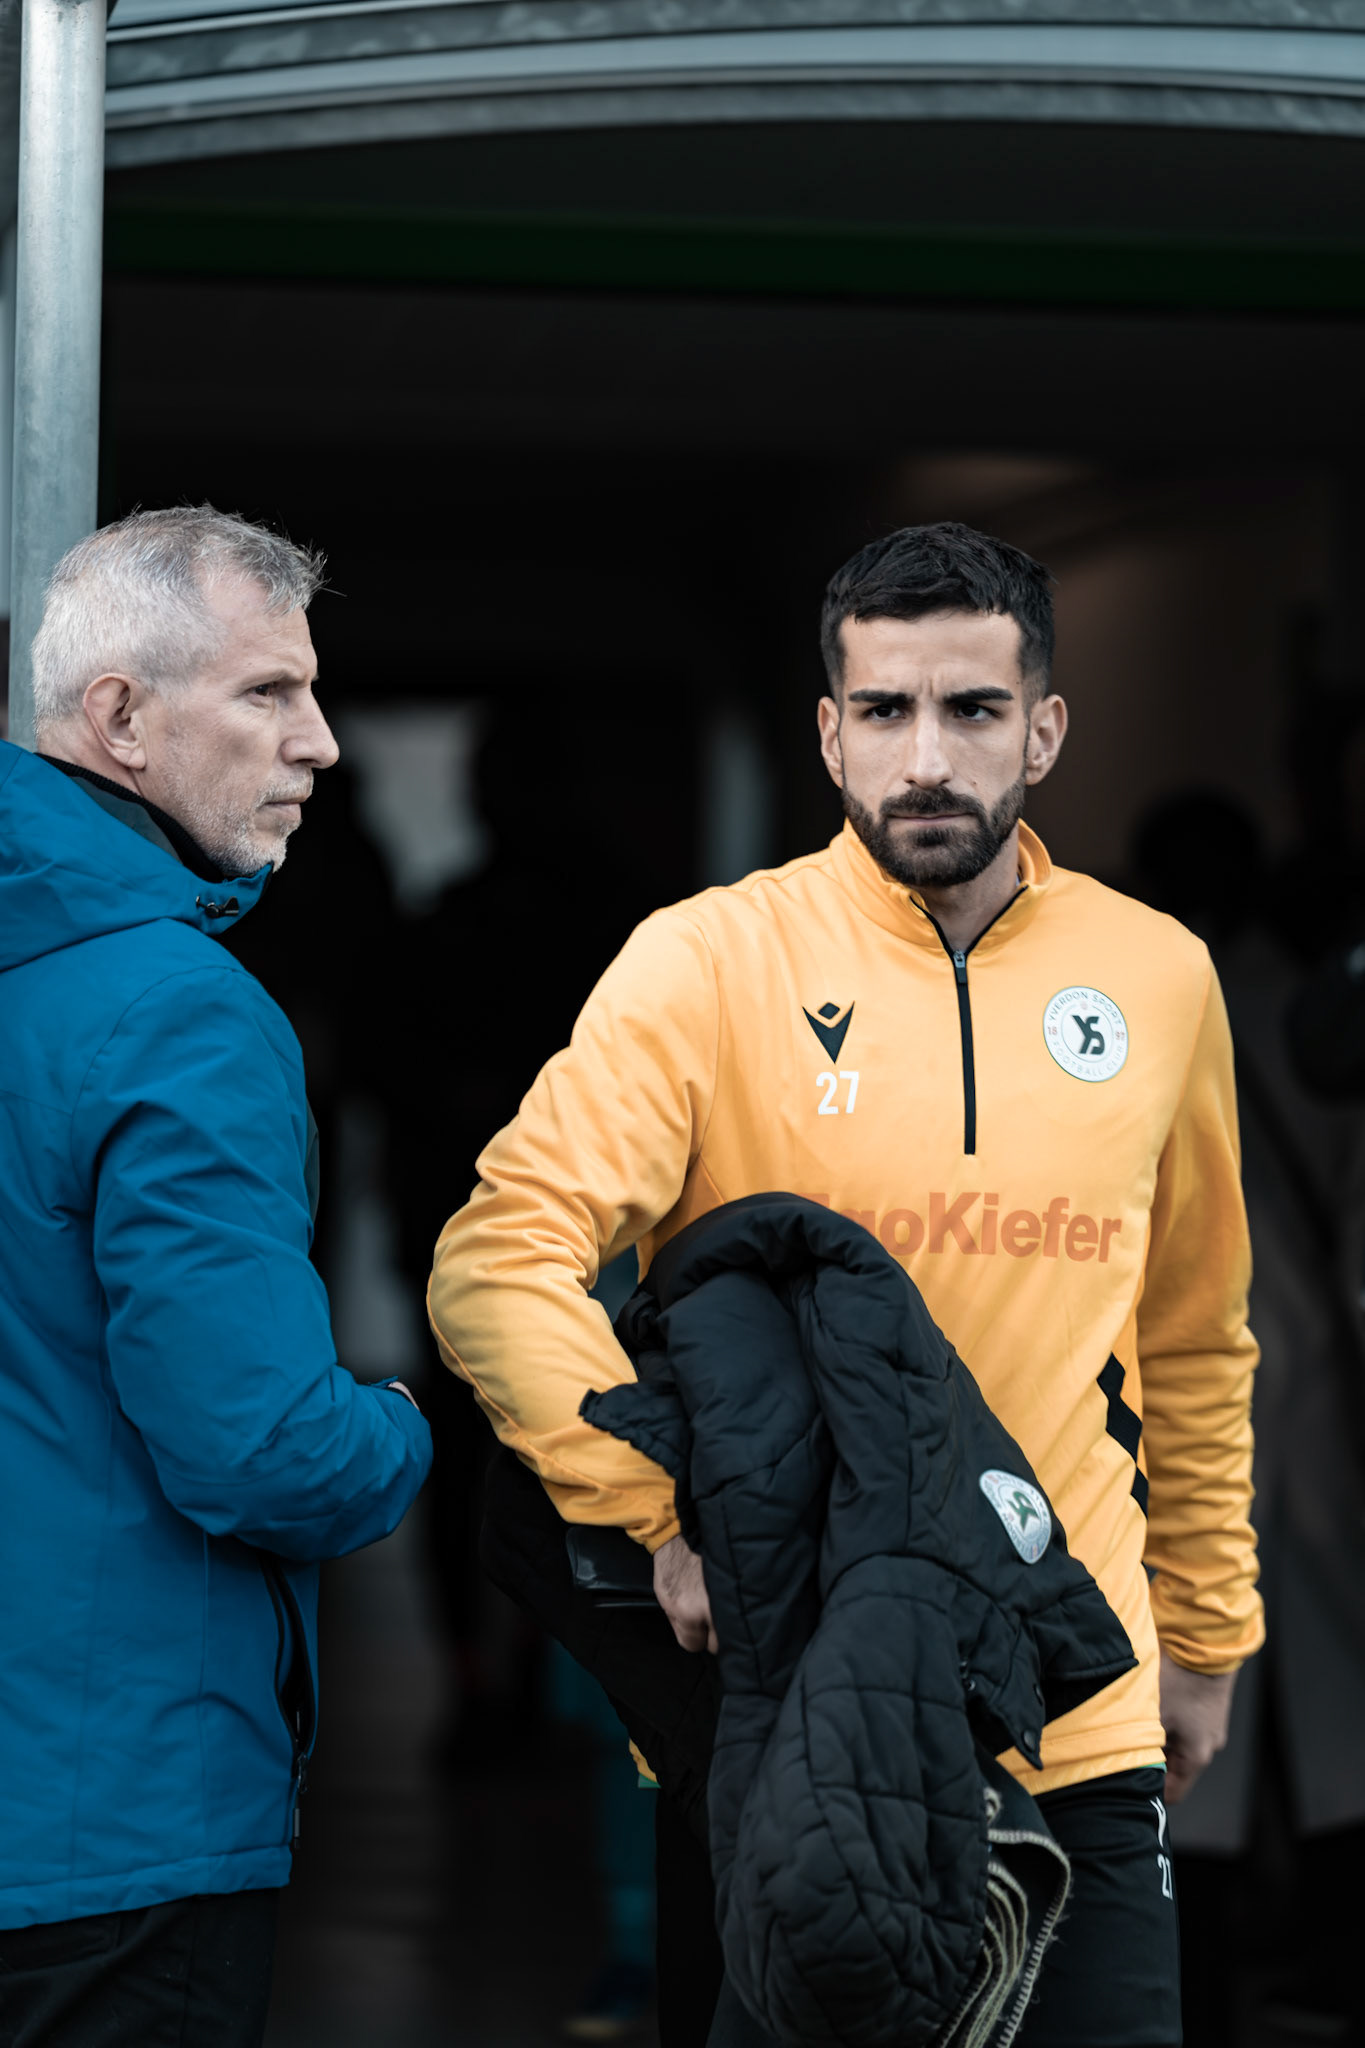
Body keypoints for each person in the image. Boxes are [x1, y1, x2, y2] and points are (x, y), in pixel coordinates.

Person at [428, 521, 1263, 2048]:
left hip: (1077, 1708)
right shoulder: (706, 962)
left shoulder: (1157, 973)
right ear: (826, 732)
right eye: (882, 713)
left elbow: (1193, 1338)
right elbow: (499, 1256)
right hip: (795, 1717)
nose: (925, 758)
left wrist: (1203, 1640)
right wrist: (655, 1512)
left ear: (1046, 728)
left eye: (972, 711)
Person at [0, 507, 433, 2047]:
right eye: (268, 694)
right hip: (109, 1831)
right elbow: (260, 1450)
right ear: (120, 716)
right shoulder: (178, 1012)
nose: (318, 742)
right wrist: (399, 1421)